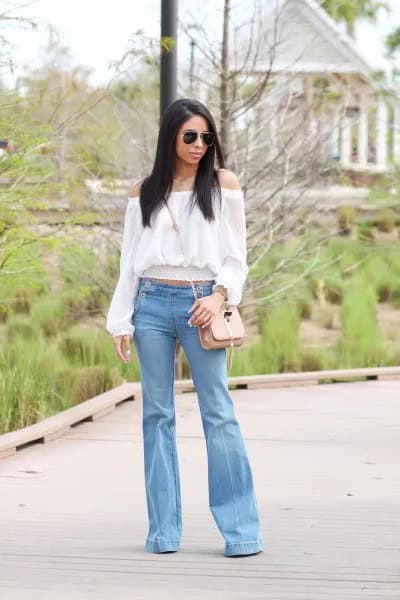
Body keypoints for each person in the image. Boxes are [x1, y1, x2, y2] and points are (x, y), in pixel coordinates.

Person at [106, 98, 264, 557]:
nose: (199, 145)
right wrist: (120, 319)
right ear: (171, 137)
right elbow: (128, 263)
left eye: (206, 137)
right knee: (157, 416)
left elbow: (236, 257)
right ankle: (164, 531)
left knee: (219, 412)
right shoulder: (143, 192)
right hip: (150, 304)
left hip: (203, 304)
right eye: (190, 136)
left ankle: (241, 531)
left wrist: (218, 298)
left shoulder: (222, 185)